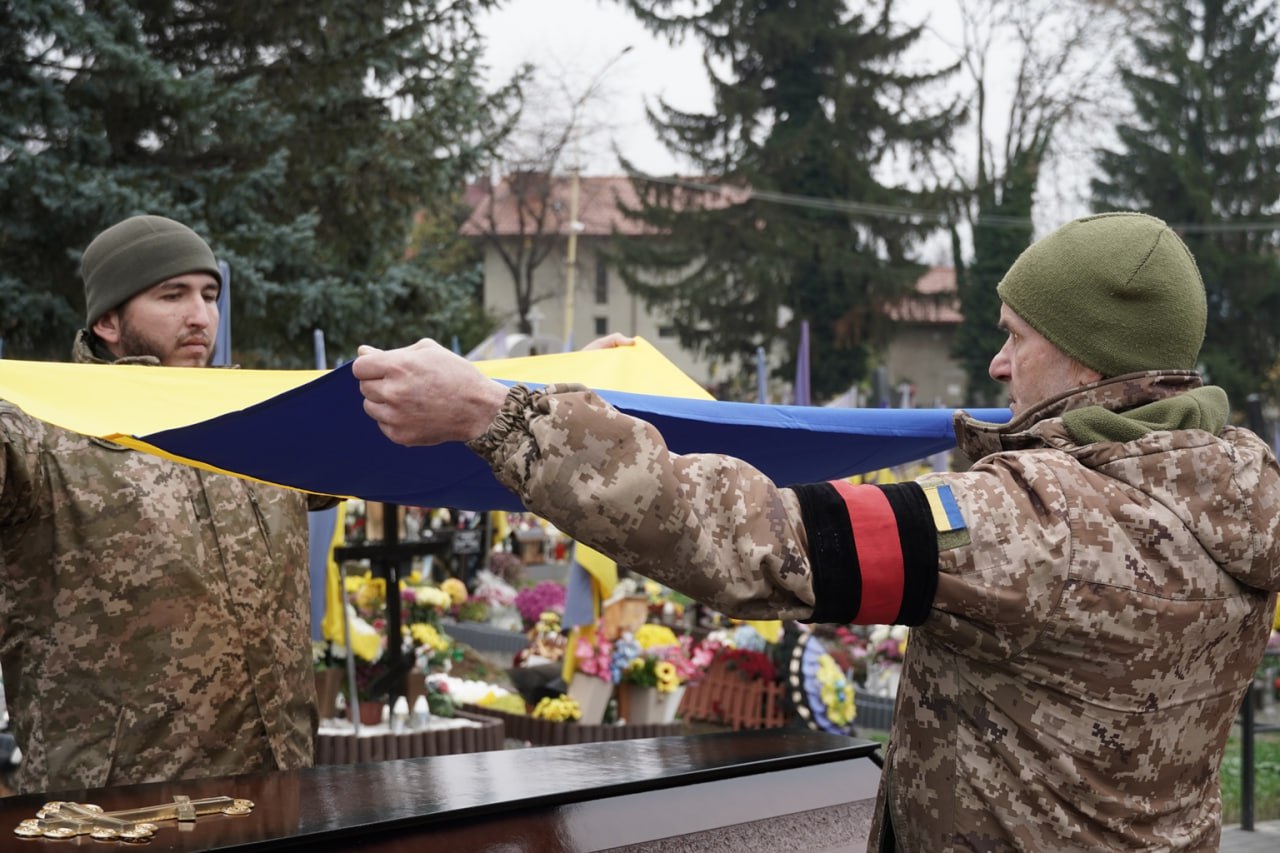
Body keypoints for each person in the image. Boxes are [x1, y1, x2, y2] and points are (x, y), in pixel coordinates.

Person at [354, 211, 1280, 851]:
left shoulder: (1033, 525)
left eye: (1015, 336)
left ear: (1086, 353)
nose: (997, 364)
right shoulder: (1239, 490)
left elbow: (761, 540)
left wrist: (500, 413)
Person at [0, 215, 326, 794]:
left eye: (209, 295)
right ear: (107, 320)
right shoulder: (43, 433)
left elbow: (401, 436)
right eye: (171, 296)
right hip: (118, 814)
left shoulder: (263, 425)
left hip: (278, 794)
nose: (200, 316)